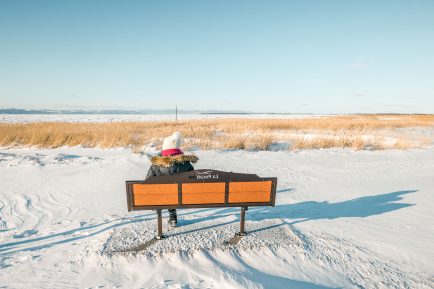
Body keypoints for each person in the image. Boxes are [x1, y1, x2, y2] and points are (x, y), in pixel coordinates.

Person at [145, 131, 198, 227]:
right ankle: (173, 216)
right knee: (174, 192)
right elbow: (193, 179)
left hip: (164, 196)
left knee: (167, 192)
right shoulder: (186, 163)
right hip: (183, 196)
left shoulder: (157, 164)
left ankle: (172, 215)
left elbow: (147, 181)